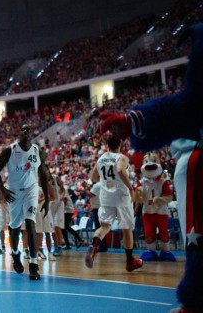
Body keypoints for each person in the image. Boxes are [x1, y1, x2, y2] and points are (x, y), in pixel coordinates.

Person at [99, 22, 203, 313]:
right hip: (129, 198)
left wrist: (134, 122)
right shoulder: (119, 160)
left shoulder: (116, 159)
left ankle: (195, 301)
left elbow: (187, 105)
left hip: (187, 165)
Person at [0, 124, 49, 281]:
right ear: (19, 133)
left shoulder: (38, 151)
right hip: (14, 192)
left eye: (28, 130)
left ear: (32, 134)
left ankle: (33, 265)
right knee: (15, 227)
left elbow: (43, 175)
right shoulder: (10, 150)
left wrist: (48, 199)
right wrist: (3, 189)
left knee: (31, 224)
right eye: (22, 129)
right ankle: (15, 253)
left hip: (31, 190)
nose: (25, 132)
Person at [84, 136, 143, 272]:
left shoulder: (101, 158)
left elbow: (92, 177)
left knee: (104, 227)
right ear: (120, 144)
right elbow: (120, 170)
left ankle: (93, 250)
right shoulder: (122, 157)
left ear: (107, 145)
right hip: (121, 196)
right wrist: (130, 188)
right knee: (127, 229)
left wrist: (105, 179)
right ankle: (129, 262)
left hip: (105, 196)